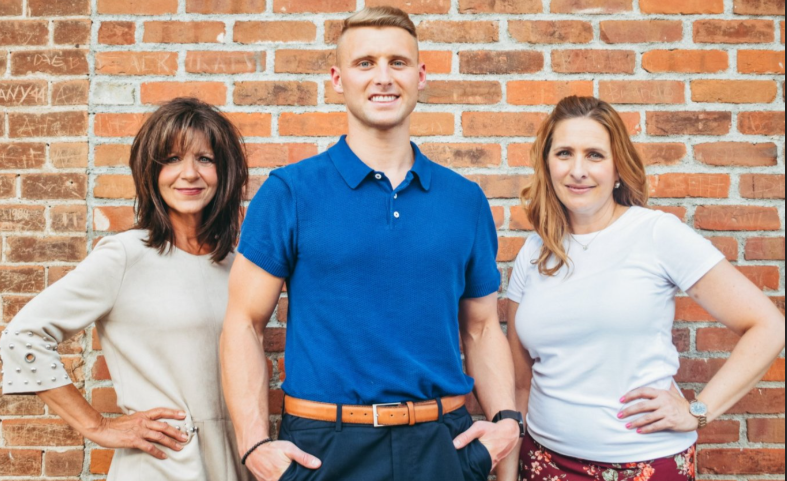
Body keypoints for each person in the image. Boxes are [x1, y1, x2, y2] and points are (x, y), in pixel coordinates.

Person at [220, 7, 523, 481]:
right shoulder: (291, 192)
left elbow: (483, 327)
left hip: (443, 445)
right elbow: (244, 321)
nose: (383, 77)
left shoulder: (464, 200)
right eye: (365, 63)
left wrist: (506, 421)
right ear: (338, 79)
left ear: (421, 76)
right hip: (324, 448)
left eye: (397, 62)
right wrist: (254, 444)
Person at [496, 96, 786, 481]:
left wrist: (698, 410)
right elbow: (520, 383)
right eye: (564, 153)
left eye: (595, 155)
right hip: (546, 463)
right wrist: (508, 476)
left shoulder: (655, 234)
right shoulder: (535, 251)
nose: (578, 170)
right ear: (547, 165)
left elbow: (768, 326)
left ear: (618, 168)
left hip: (645, 467)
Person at [0, 98, 251, 481]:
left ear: (225, 171)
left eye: (205, 159)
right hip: (165, 463)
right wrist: (98, 426)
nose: (189, 174)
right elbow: (23, 337)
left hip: (232, 461)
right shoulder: (125, 256)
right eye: (171, 159)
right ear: (150, 171)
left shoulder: (234, 265)